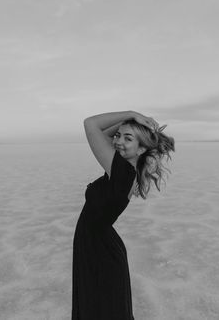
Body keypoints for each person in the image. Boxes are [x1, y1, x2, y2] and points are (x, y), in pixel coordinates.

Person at [71, 110, 175, 320]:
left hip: (98, 249)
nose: (118, 142)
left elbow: (90, 124)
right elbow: (106, 136)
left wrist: (132, 114)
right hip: (99, 244)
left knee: (101, 309)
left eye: (128, 139)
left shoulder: (121, 172)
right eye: (119, 135)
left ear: (142, 148)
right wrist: (126, 126)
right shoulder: (125, 169)